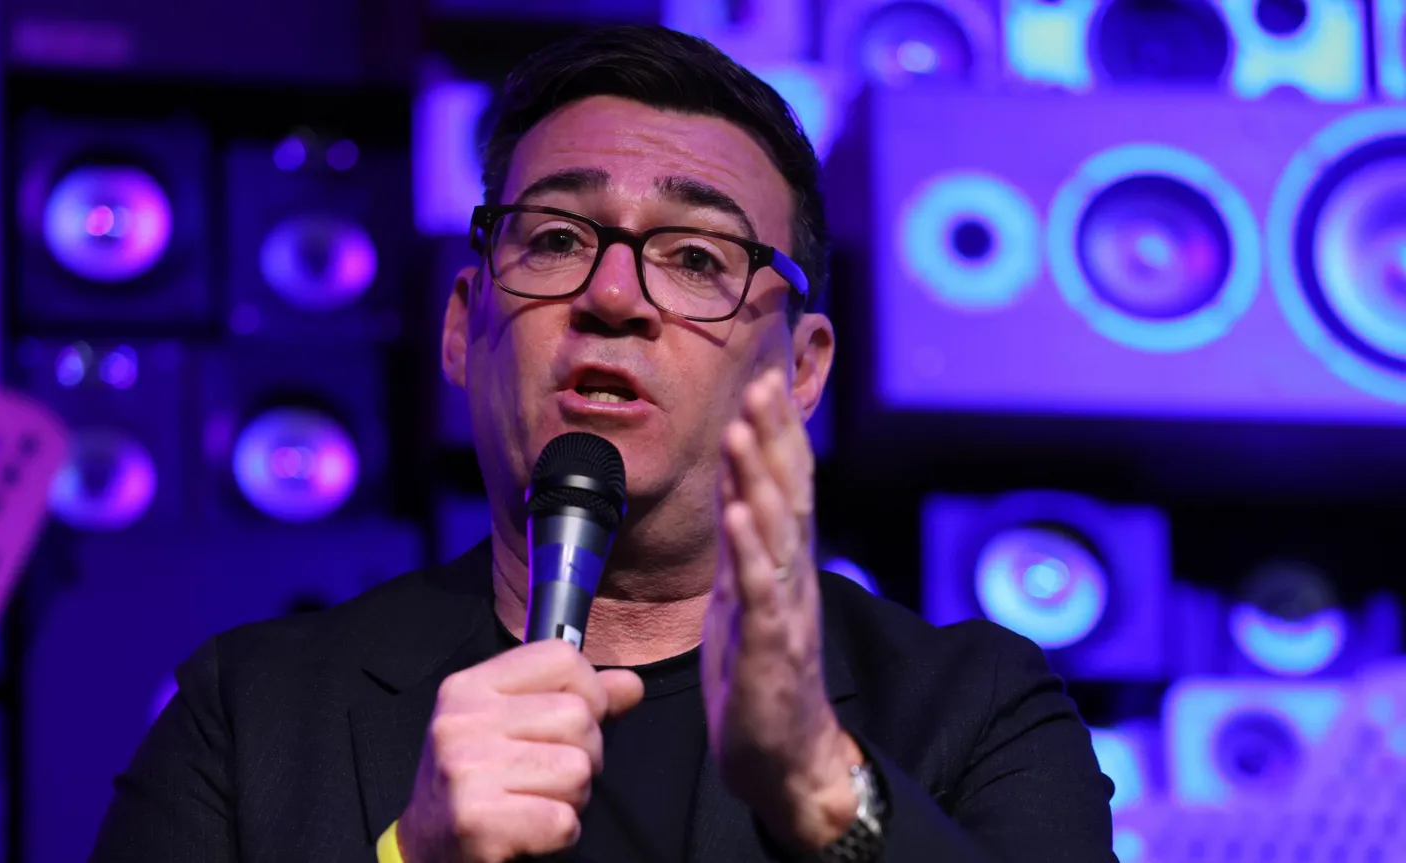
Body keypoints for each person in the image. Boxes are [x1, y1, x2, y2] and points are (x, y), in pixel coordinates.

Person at [89, 24, 1116, 863]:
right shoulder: (252, 714)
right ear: (463, 326)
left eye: (698, 256)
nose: (612, 295)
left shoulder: (971, 708)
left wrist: (819, 788)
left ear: (801, 368)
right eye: (557, 239)